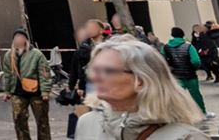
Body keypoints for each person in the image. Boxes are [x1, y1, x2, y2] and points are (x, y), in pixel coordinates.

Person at [72, 36, 208, 140]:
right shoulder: (87, 123)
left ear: (141, 80)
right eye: (94, 70)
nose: (95, 77)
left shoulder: (185, 136)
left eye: (108, 71)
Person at [3, 28, 53, 140]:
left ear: (26, 39)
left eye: (21, 37)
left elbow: (44, 73)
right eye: (16, 37)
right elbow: (8, 75)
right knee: (19, 120)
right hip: (18, 93)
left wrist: (45, 91)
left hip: (37, 92)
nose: (18, 39)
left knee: (42, 122)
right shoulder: (9, 55)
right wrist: (7, 91)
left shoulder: (36, 54)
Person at [161, 28, 210, 119]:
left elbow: (161, 60)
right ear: (183, 35)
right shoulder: (189, 46)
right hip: (190, 75)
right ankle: (202, 113)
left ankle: (179, 115)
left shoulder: (166, 47)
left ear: (172, 35)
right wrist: (194, 68)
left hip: (175, 76)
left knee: (177, 96)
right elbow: (196, 61)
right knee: (196, 95)